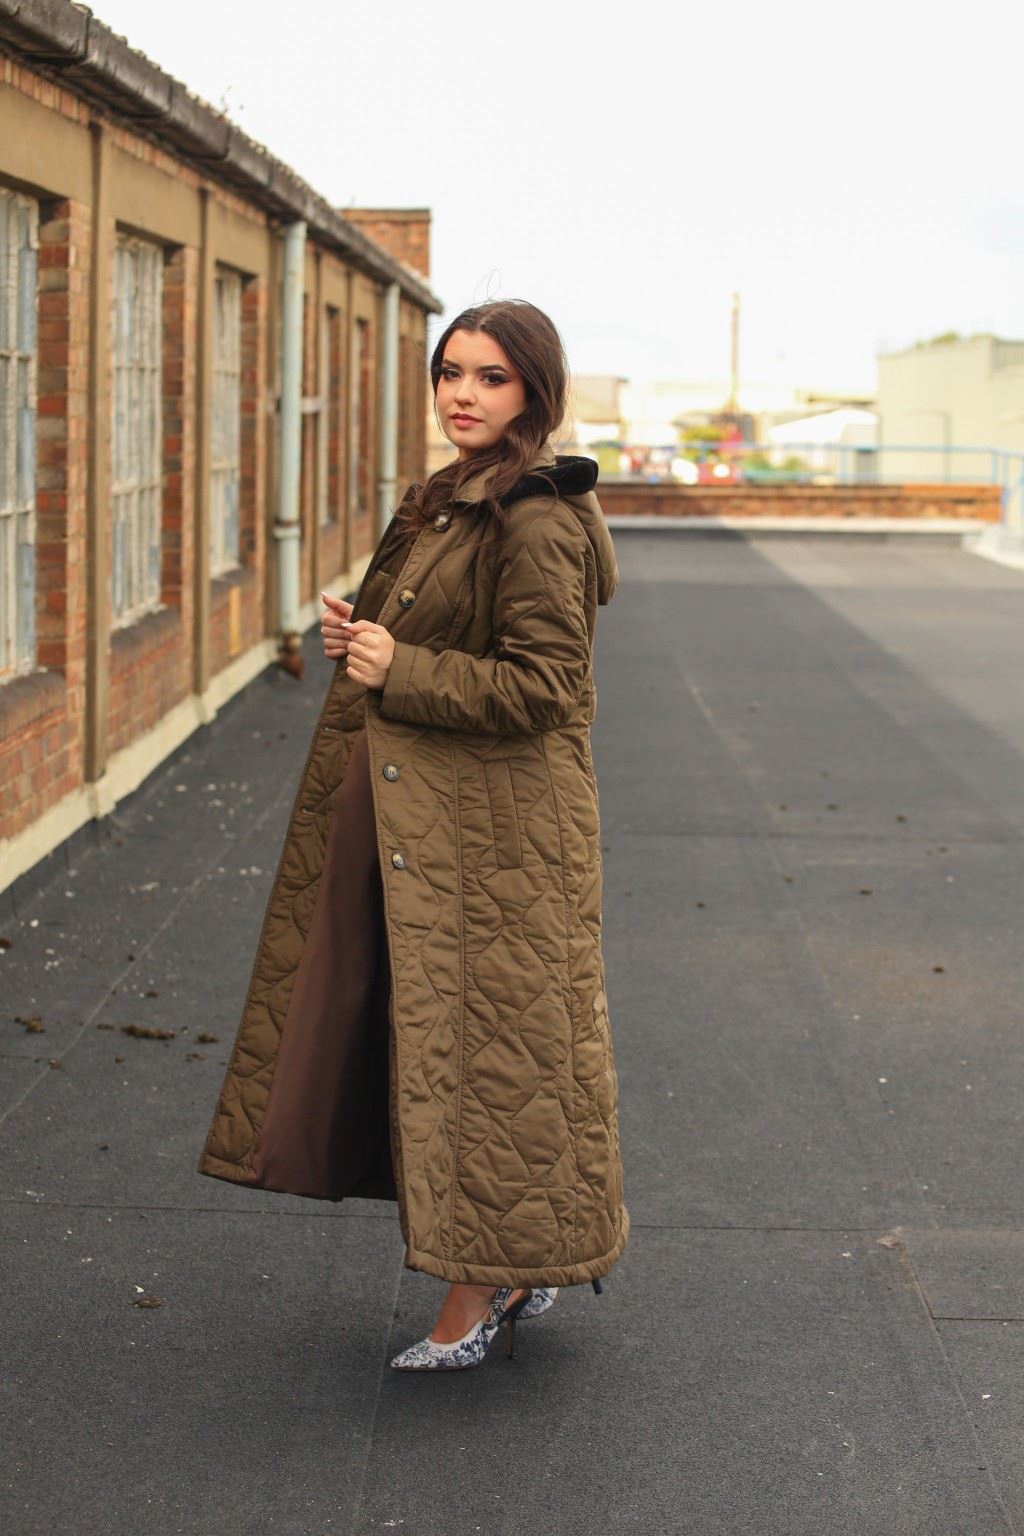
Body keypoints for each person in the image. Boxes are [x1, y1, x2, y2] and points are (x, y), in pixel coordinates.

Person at [197, 298, 629, 1371]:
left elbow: (547, 686)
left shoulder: (531, 515)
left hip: (501, 841)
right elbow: (434, 642)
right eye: (450, 373)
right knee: (437, 1045)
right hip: (433, 824)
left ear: (534, 390)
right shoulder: (450, 500)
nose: (461, 394)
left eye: (488, 377)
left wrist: (405, 667)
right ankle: (509, 1268)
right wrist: (369, 638)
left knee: (492, 1061)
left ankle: (473, 1298)